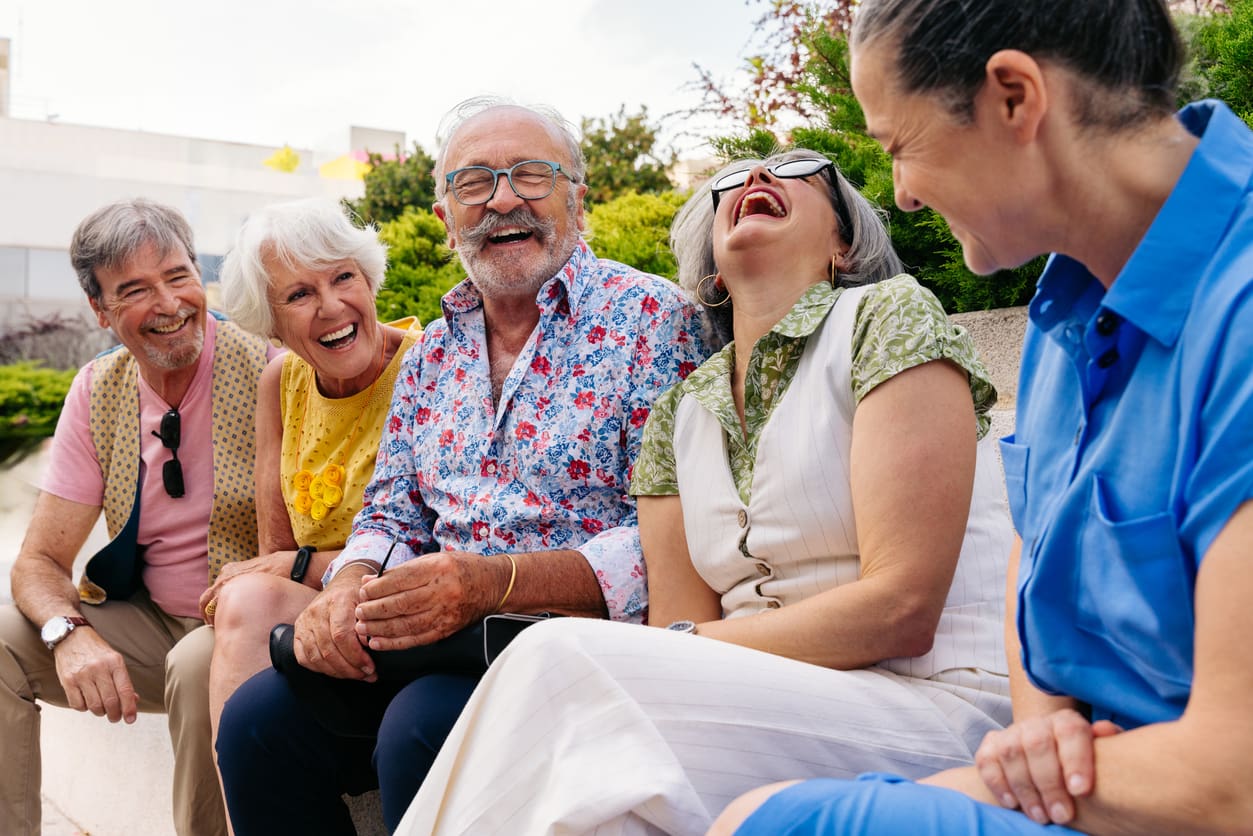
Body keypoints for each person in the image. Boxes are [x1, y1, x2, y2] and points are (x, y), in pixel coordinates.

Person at [713, 1, 1253, 834]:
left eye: (900, 148)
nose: (904, 196)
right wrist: (1037, 727)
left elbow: (1229, 783)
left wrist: (1014, 771)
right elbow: (1031, 548)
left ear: (1013, 97)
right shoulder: (1064, 311)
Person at [393, 148, 1015, 836]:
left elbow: (899, 610)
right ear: (712, 268)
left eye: (798, 171)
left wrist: (680, 647)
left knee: (553, 656)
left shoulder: (885, 317)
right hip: (772, 708)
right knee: (604, 816)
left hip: (936, 704)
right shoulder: (680, 413)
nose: (755, 178)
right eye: (730, 181)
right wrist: (677, 647)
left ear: (842, 244)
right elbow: (672, 637)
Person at [214, 96, 713, 834]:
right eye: (473, 182)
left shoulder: (654, 321)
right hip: (435, 639)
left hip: (572, 645)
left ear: (578, 198)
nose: (503, 197)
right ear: (447, 219)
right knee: (256, 721)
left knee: (422, 723)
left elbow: (681, 535)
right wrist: (347, 587)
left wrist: (495, 583)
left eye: (530, 174)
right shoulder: (433, 356)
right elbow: (391, 511)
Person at [0, 199, 275, 836]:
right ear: (100, 311)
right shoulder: (98, 388)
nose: (170, 304)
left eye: (178, 276)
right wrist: (68, 634)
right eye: (134, 290)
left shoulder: (268, 363)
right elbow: (39, 563)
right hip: (149, 624)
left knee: (201, 664)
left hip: (251, 621)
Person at [204, 197, 421, 755]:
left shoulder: (429, 365)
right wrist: (280, 568)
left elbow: (450, 546)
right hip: (309, 605)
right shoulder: (281, 381)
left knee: (236, 619)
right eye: (299, 294)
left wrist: (301, 564)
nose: (331, 306)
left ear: (369, 281)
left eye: (342, 277)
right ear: (270, 322)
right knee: (186, 664)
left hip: (402, 605)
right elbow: (271, 552)